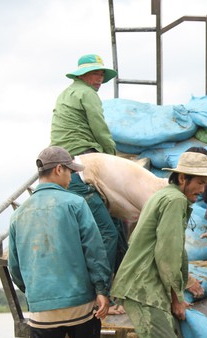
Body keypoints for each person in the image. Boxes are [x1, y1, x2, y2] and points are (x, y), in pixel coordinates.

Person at [103, 152, 207, 338]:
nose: (202, 191)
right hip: (143, 288)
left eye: (205, 184)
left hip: (153, 286)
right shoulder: (174, 200)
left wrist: (184, 284)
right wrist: (176, 298)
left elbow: (175, 250)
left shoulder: (165, 197)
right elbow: (166, 254)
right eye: (199, 183)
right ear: (182, 178)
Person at [8, 146, 112, 338]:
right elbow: (94, 250)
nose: (71, 178)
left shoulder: (18, 215)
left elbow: (15, 267)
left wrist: (35, 294)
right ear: (58, 170)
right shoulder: (76, 204)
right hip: (79, 304)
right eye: (69, 172)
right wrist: (102, 290)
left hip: (41, 310)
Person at [51, 54, 127, 279]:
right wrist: (113, 157)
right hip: (83, 161)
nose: (99, 79)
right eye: (95, 73)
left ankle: (122, 278)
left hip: (66, 161)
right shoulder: (87, 94)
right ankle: (105, 289)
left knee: (115, 222)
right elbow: (100, 129)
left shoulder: (66, 94)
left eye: (102, 74)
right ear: (82, 74)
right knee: (108, 232)